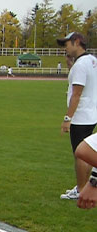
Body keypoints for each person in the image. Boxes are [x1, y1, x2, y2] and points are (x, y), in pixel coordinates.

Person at [57, 32, 97, 200]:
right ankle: (84, 185)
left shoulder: (81, 65)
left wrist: (68, 119)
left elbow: (76, 94)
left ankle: (81, 189)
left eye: (67, 44)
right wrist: (70, 66)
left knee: (80, 153)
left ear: (77, 42)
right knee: (88, 151)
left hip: (81, 115)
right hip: (92, 112)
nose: (65, 47)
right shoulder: (92, 60)